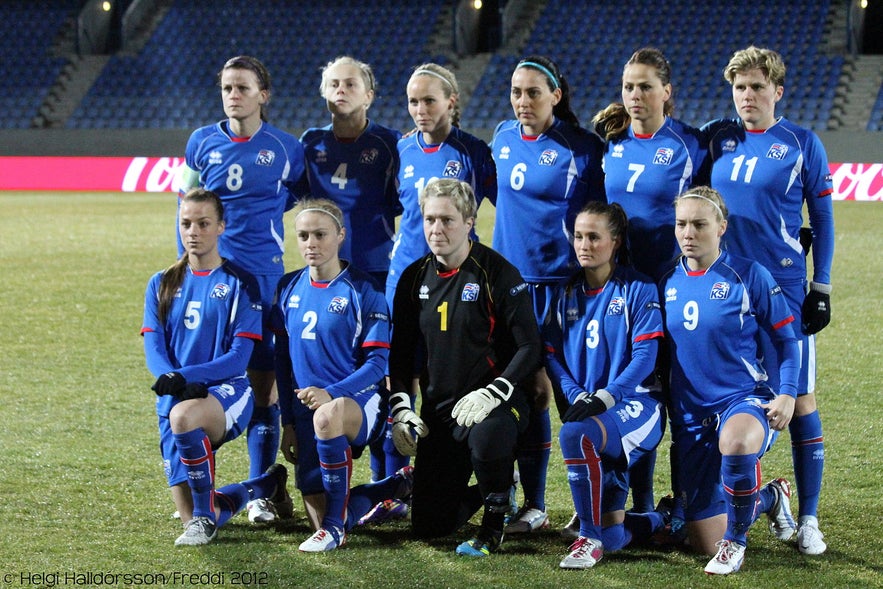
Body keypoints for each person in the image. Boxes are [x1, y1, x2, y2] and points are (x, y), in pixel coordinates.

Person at [701, 46, 835, 555]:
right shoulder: (719, 139)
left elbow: (821, 220)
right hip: (726, 293)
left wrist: (819, 285)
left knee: (799, 400)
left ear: (778, 91)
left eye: (757, 87)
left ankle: (808, 518)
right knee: (729, 394)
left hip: (782, 291)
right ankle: (749, 494)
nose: (748, 96)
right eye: (740, 87)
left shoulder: (802, 143)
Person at [177, 55, 306, 523]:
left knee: (264, 384)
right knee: (197, 377)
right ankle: (192, 487)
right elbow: (185, 205)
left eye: (243, 88)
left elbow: (298, 193)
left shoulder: (287, 148)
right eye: (227, 87)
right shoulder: (201, 143)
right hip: (215, 279)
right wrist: (188, 264)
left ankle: (258, 493)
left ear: (262, 95)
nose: (234, 95)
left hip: (265, 279)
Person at [388, 178, 541, 556]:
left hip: (497, 402)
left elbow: (529, 346)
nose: (436, 230)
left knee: (488, 436)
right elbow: (401, 353)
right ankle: (501, 486)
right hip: (441, 410)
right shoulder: (413, 278)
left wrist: (496, 390)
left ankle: (493, 525)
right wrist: (401, 407)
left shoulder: (497, 273)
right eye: (429, 220)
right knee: (428, 525)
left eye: (447, 220)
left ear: (469, 221)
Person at [591, 47, 707, 530]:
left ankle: (684, 504)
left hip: (675, 291)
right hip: (626, 295)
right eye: (628, 87)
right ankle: (641, 503)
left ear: (667, 92)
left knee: (682, 399)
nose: (635, 96)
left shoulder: (690, 145)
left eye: (644, 86)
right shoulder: (611, 144)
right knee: (635, 394)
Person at [490, 55, 606, 535]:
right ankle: (533, 505)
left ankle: (590, 502)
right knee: (524, 394)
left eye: (533, 92)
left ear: (556, 95)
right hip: (510, 289)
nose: (522, 102)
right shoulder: (500, 138)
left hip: (561, 290)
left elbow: (600, 215)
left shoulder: (580, 148)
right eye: (516, 92)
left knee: (566, 395)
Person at [658, 186, 800, 575]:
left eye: (699, 225)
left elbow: (787, 341)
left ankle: (735, 545)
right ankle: (771, 497)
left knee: (735, 443)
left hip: (743, 399)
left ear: (721, 228)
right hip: (690, 414)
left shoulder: (749, 275)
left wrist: (787, 393)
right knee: (703, 540)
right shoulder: (666, 280)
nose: (688, 233)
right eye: (681, 224)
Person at [141, 187, 293, 546]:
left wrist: (187, 376)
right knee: (187, 514)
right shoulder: (162, 283)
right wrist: (173, 381)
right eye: (186, 224)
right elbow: (153, 347)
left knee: (184, 421)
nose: (193, 232)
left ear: (221, 227)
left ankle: (205, 521)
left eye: (203, 223)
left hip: (227, 391)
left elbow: (239, 359)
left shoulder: (242, 283)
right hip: (175, 395)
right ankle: (266, 484)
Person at [295, 55, 406, 511]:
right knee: (329, 367)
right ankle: (335, 478)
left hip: (377, 274)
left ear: (369, 94)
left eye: (351, 83)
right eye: (333, 83)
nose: (341, 90)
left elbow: (402, 204)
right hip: (325, 280)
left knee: (387, 373)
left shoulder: (389, 143)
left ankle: (392, 483)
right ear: (324, 92)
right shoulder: (310, 143)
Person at [272, 198, 412, 552]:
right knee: (322, 513)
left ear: (340, 236)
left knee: (328, 416)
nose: (311, 243)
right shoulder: (287, 288)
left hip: (359, 402)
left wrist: (332, 393)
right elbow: (283, 362)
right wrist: (288, 420)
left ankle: (334, 531)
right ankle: (390, 488)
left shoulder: (364, 291)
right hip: (308, 408)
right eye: (303, 235)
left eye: (320, 234)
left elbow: (378, 365)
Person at [544, 201, 667, 569]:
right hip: (596, 412)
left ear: (615, 242)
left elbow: (646, 358)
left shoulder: (638, 288)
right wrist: (576, 394)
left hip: (638, 405)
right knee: (617, 537)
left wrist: (607, 395)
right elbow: (551, 354)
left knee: (573, 435)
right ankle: (661, 518)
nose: (584, 244)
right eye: (579, 236)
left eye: (594, 237)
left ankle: (588, 537)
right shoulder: (565, 292)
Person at [386, 62, 497, 309]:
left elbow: (509, 203)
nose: (420, 110)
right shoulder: (402, 150)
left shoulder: (473, 152)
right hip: (405, 268)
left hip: (458, 271)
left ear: (451, 101)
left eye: (429, 101)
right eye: (413, 102)